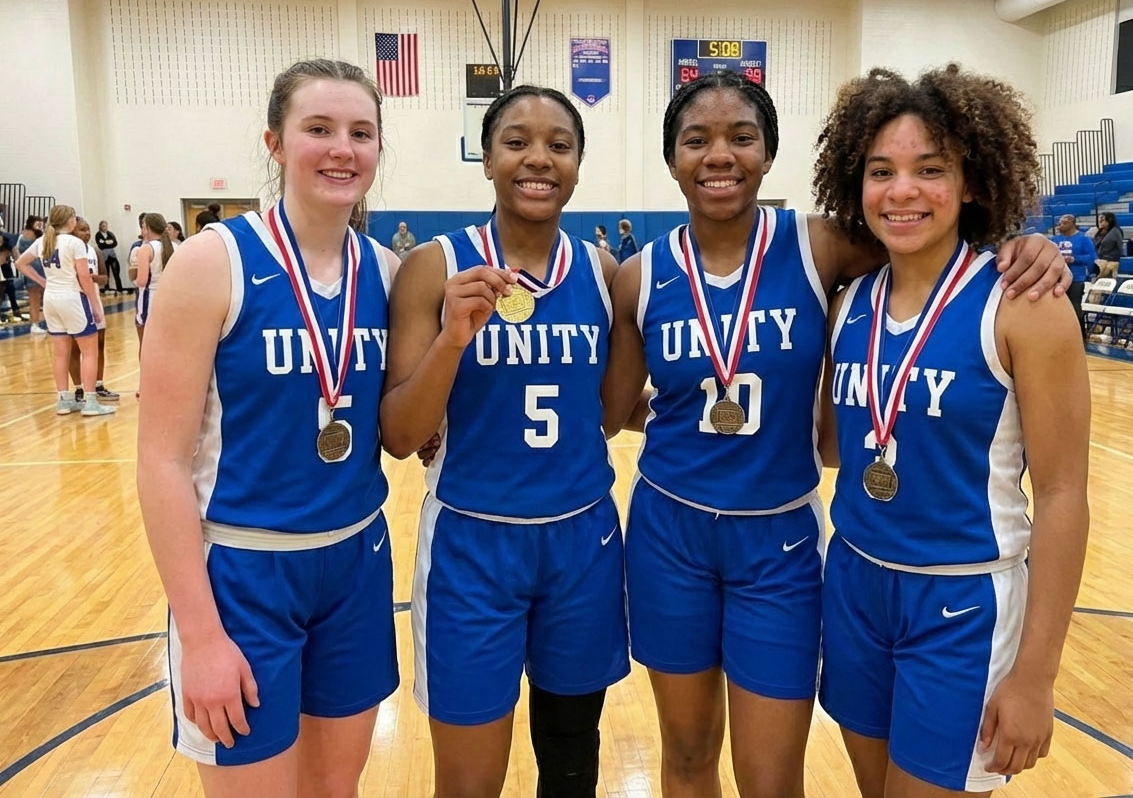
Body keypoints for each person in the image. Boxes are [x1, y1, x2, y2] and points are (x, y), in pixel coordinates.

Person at [600, 70, 1070, 798]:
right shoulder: (641, 276)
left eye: (742, 137)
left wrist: (1024, 243)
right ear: (672, 158)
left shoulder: (825, 253)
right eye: (697, 139)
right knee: (687, 754)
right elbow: (613, 410)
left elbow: (932, 244)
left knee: (770, 776)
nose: (720, 154)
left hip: (784, 541)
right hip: (674, 533)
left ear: (769, 153)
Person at [813, 64, 1089, 798]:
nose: (902, 191)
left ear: (971, 181)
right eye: (882, 171)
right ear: (856, 185)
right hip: (855, 584)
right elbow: (833, 447)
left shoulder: (1024, 304)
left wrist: (1036, 676)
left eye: (929, 170)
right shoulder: (849, 307)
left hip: (962, 604)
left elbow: (1064, 496)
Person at [136, 58, 400, 797]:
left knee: (335, 788)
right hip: (243, 574)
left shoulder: (386, 273)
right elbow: (160, 461)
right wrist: (201, 635)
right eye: (317, 129)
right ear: (276, 143)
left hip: (356, 561)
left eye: (361, 132)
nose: (342, 148)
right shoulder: (209, 263)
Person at [380, 85, 628, 798]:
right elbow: (400, 435)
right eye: (516, 142)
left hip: (582, 542)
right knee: (469, 780)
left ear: (578, 163)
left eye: (559, 144)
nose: (538, 159)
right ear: (486, 158)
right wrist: (454, 341)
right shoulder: (435, 265)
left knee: (573, 759)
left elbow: (605, 415)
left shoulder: (601, 272)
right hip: (472, 546)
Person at [16, 205, 115, 416]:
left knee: (61, 353)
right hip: (73, 298)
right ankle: (90, 402)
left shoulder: (42, 241)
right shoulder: (74, 243)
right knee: (90, 351)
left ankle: (64, 399)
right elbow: (85, 278)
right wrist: (96, 306)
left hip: (52, 299)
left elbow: (20, 263)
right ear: (70, 221)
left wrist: (43, 281)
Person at [67, 216, 120, 401]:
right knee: (74, 347)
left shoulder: (94, 251)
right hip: (75, 300)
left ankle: (98, 384)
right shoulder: (69, 250)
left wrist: (97, 278)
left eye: (88, 229)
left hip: (94, 299)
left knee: (99, 344)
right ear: (73, 231)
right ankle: (79, 388)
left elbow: (106, 278)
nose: (87, 232)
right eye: (83, 229)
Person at [134, 213, 174, 350]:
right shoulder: (175, 246)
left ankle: (147, 372)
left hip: (150, 299)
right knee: (167, 344)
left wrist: (134, 273)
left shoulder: (146, 248)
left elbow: (141, 281)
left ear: (148, 228)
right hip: (170, 299)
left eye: (143, 227)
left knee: (146, 347)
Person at [1053, 214, 1095, 339]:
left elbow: (1091, 257)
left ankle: (1080, 336)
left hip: (1076, 278)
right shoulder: (1054, 240)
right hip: (1057, 279)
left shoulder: (1084, 239)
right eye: (1059, 223)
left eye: (1063, 223)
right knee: (1057, 308)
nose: (1060, 225)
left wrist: (1074, 259)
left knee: (1075, 307)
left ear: (1072, 223)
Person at [18, 216, 47, 333]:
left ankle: (37, 324)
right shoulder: (31, 235)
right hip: (34, 269)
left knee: (39, 298)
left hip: (35, 268)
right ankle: (35, 324)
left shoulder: (23, 235)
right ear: (31, 223)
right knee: (35, 299)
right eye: (38, 223)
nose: (40, 225)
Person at [94, 220, 125, 294]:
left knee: (116, 271)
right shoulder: (98, 235)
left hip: (112, 256)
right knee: (106, 272)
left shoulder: (110, 233)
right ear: (100, 226)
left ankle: (119, 288)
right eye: (103, 226)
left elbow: (115, 243)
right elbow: (101, 245)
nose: (105, 227)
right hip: (104, 257)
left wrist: (106, 242)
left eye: (106, 226)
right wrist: (108, 242)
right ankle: (106, 288)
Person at [1092, 211, 1122, 280]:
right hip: (1098, 260)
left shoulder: (1115, 232)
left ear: (1109, 220)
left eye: (1102, 220)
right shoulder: (1099, 232)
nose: (1100, 222)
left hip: (1110, 261)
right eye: (1099, 220)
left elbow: (1118, 248)